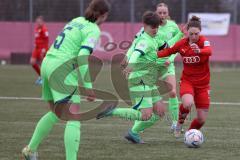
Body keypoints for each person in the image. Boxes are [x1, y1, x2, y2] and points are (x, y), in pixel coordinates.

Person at [22, 0, 110, 159]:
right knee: (74, 117)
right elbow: (82, 56)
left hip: (47, 64)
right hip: (61, 69)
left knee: (57, 113)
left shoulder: (76, 20)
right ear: (103, 16)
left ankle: (30, 150)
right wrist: (88, 86)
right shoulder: (93, 29)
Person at [97, 11, 166, 143]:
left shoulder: (154, 37)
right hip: (140, 80)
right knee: (146, 115)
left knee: (160, 111)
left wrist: (181, 36)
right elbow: (136, 52)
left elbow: (167, 47)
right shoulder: (145, 40)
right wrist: (130, 65)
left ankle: (133, 133)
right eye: (153, 27)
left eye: (157, 27)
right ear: (145, 25)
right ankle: (112, 111)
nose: (156, 30)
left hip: (149, 81)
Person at [123, 2, 184, 143]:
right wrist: (128, 59)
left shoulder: (172, 27)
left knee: (172, 93)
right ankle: (136, 126)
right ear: (156, 13)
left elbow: (172, 47)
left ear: (167, 13)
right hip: (150, 68)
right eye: (160, 12)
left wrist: (171, 58)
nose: (162, 15)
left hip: (166, 65)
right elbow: (135, 46)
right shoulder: (146, 32)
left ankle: (175, 123)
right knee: (147, 106)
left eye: (164, 12)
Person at [157, 16, 212, 138]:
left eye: (196, 34)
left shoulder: (203, 41)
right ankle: (179, 124)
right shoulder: (182, 43)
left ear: (200, 32)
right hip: (188, 81)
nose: (193, 37)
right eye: (191, 34)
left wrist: (199, 51)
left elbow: (209, 51)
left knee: (201, 119)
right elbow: (168, 51)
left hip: (203, 85)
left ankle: (190, 134)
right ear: (186, 32)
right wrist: (154, 54)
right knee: (187, 103)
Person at [30, 16, 49, 85]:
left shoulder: (44, 29)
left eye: (39, 22)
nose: (38, 23)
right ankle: (41, 76)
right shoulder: (37, 29)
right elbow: (37, 39)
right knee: (32, 62)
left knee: (43, 64)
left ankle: (44, 78)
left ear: (42, 22)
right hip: (36, 48)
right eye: (37, 22)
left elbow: (46, 40)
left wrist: (44, 49)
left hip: (42, 49)